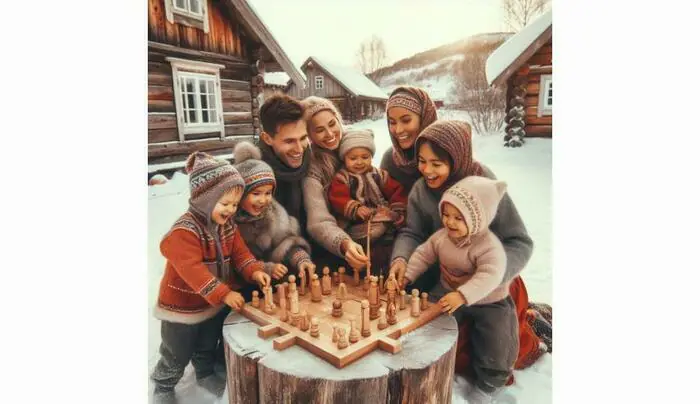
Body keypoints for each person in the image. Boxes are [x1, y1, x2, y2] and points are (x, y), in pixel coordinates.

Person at [387, 119, 546, 380]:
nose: (426, 170)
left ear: (456, 158)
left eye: (436, 164)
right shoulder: (420, 190)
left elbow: (520, 241)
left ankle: (531, 330)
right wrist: (402, 260)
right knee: (440, 345)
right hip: (446, 272)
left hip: (491, 277)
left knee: (499, 345)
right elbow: (412, 233)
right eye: (422, 161)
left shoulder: (482, 185)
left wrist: (484, 276)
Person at [150, 152, 271, 404]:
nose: (231, 209)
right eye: (225, 203)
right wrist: (224, 293)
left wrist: (255, 270)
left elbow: (240, 255)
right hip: (181, 308)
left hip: (210, 304)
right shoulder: (185, 231)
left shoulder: (227, 227)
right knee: (177, 351)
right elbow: (193, 270)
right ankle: (164, 384)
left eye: (235, 204)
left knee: (207, 342)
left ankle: (204, 373)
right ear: (205, 199)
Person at [403, 176, 517, 403]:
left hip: (489, 300)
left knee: (497, 337)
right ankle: (423, 357)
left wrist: (463, 295)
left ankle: (489, 383)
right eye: (446, 215)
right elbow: (423, 254)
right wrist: (408, 275)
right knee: (429, 317)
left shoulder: (488, 246)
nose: (449, 222)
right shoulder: (441, 238)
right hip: (448, 292)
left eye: (458, 218)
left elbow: (489, 275)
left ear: (477, 220)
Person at [299, 96, 370, 272]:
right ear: (309, 135)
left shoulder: (355, 147)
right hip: (335, 246)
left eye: (332, 124)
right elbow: (318, 221)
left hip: (369, 230)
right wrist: (344, 243)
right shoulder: (312, 167)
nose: (330, 134)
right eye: (319, 130)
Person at [232, 141, 317, 280]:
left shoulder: (276, 215)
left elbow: (288, 243)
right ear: (240, 194)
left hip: (273, 283)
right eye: (256, 193)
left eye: (268, 193)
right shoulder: (229, 221)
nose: (263, 200)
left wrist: (301, 259)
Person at [327, 129, 406, 271]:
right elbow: (338, 198)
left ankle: (386, 246)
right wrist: (356, 208)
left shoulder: (379, 175)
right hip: (355, 223)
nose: (359, 162)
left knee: (389, 229)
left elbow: (396, 190)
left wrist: (395, 210)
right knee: (376, 231)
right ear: (344, 158)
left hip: (378, 216)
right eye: (353, 158)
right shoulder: (342, 178)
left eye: (365, 157)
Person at [258, 94, 312, 235]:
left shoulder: (314, 160)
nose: (299, 149)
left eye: (303, 138)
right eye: (289, 141)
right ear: (267, 138)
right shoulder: (254, 177)